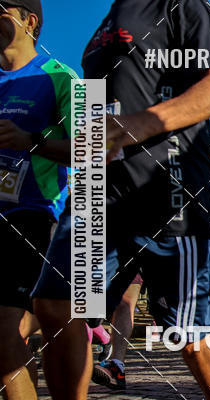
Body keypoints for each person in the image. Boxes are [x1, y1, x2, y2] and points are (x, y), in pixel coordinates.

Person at [30, 1, 210, 399]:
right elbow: (99, 124)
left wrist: (135, 126)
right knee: (56, 304)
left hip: (168, 194)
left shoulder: (181, 7)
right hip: (98, 195)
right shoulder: (105, 24)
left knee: (189, 335)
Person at [0, 1, 76, 398]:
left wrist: (30, 141)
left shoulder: (61, 76)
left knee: (5, 333)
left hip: (32, 216)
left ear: (29, 21)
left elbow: (94, 148)